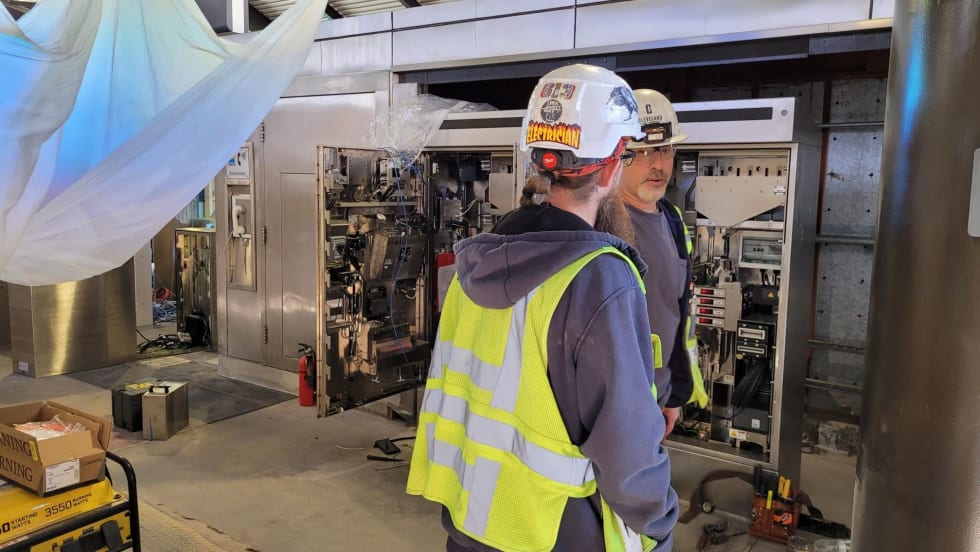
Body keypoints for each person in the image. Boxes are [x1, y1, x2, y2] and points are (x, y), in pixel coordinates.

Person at [407, 64, 678, 552]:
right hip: (550, 529)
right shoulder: (600, 276)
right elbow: (626, 446)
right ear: (615, 163)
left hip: (472, 518)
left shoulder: (480, 254)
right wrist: (659, 522)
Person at [618, 89, 709, 438]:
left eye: (664, 149)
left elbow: (677, 313)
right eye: (641, 152)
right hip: (618, 405)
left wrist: (674, 394)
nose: (657, 164)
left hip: (657, 398)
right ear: (619, 154)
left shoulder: (670, 218)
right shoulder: (601, 222)